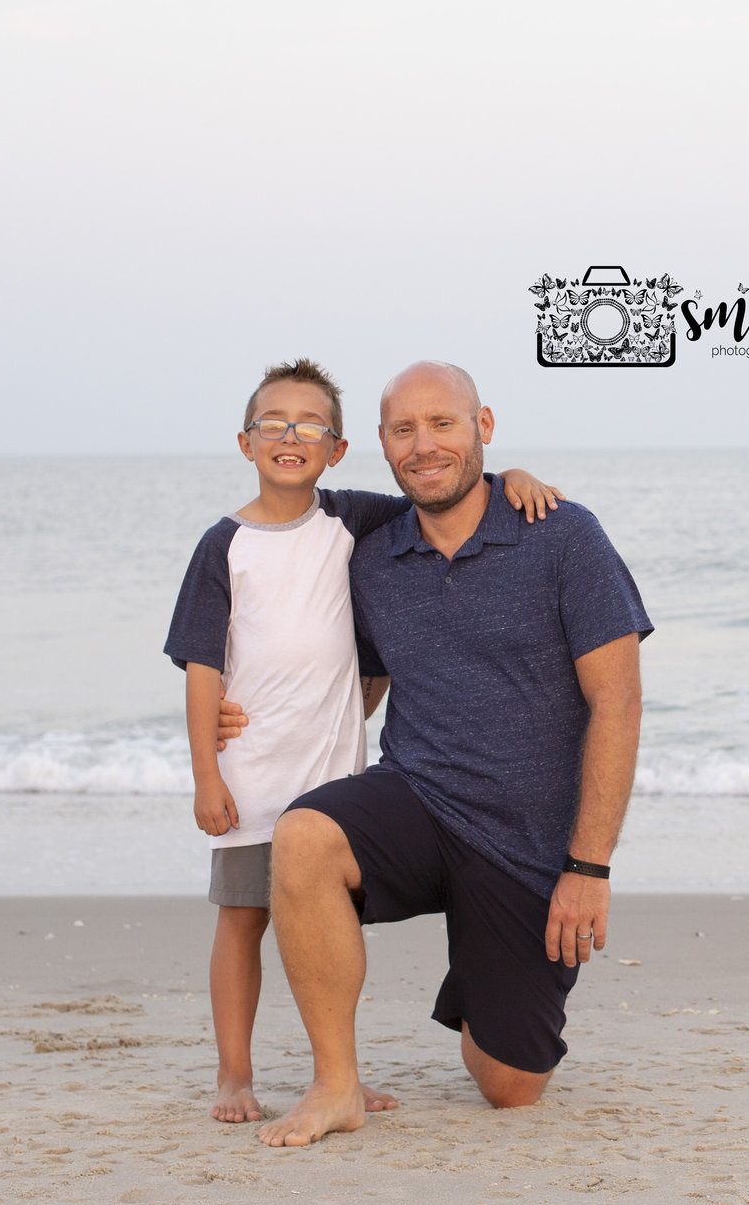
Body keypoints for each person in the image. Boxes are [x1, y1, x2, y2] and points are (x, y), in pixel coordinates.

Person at [227, 360, 650, 1147]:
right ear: (381, 446)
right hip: (418, 801)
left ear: (482, 427)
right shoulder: (374, 556)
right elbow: (344, 674)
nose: (424, 445)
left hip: (525, 847)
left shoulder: (562, 535)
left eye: (443, 424)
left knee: (510, 1087)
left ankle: (484, 964)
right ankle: (336, 1083)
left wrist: (588, 868)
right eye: (404, 430)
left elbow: (617, 701)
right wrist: (240, 722)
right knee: (305, 836)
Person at [162, 357, 564, 1124]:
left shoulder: (354, 520)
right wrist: (205, 773)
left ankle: (338, 1070)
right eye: (272, 423)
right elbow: (201, 665)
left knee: (328, 926)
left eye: (310, 424)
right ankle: (233, 1074)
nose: (290, 436)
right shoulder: (224, 546)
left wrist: (511, 472)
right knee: (243, 920)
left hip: (333, 778)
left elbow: (445, 486)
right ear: (244, 442)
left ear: (340, 448)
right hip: (253, 773)